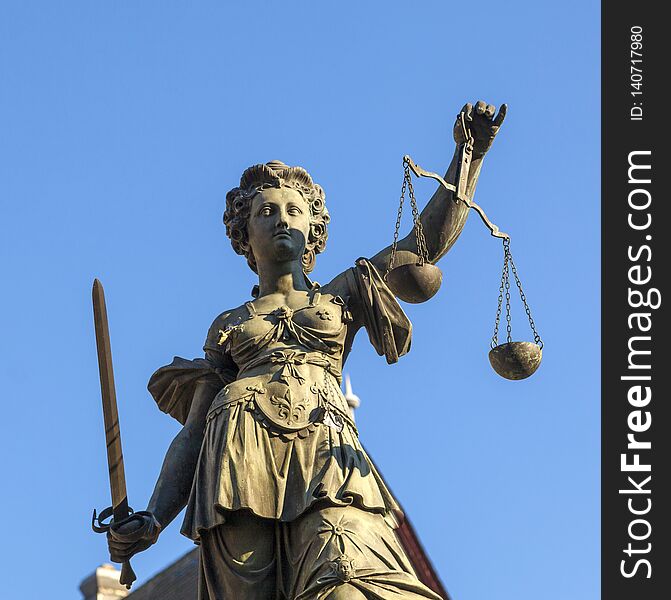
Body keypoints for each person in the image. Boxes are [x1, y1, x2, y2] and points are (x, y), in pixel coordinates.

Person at [107, 101, 506, 599]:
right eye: (266, 211)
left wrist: (469, 155)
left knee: (347, 580)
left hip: (327, 452)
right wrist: (154, 516)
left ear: (312, 227)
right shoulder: (228, 325)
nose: (281, 219)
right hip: (237, 460)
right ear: (243, 234)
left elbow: (422, 246)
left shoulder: (342, 293)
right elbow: (192, 434)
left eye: (294, 210)